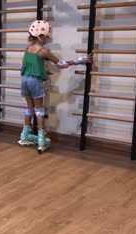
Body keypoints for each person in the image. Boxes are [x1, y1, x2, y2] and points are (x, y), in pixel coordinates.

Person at [18, 20, 93, 153]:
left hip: (25, 80)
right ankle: (41, 141)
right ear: (41, 36)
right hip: (35, 82)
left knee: (29, 108)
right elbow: (61, 64)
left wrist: (42, 70)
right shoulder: (44, 51)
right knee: (39, 110)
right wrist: (79, 60)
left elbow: (23, 67)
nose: (48, 38)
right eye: (47, 36)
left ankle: (24, 136)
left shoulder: (28, 49)